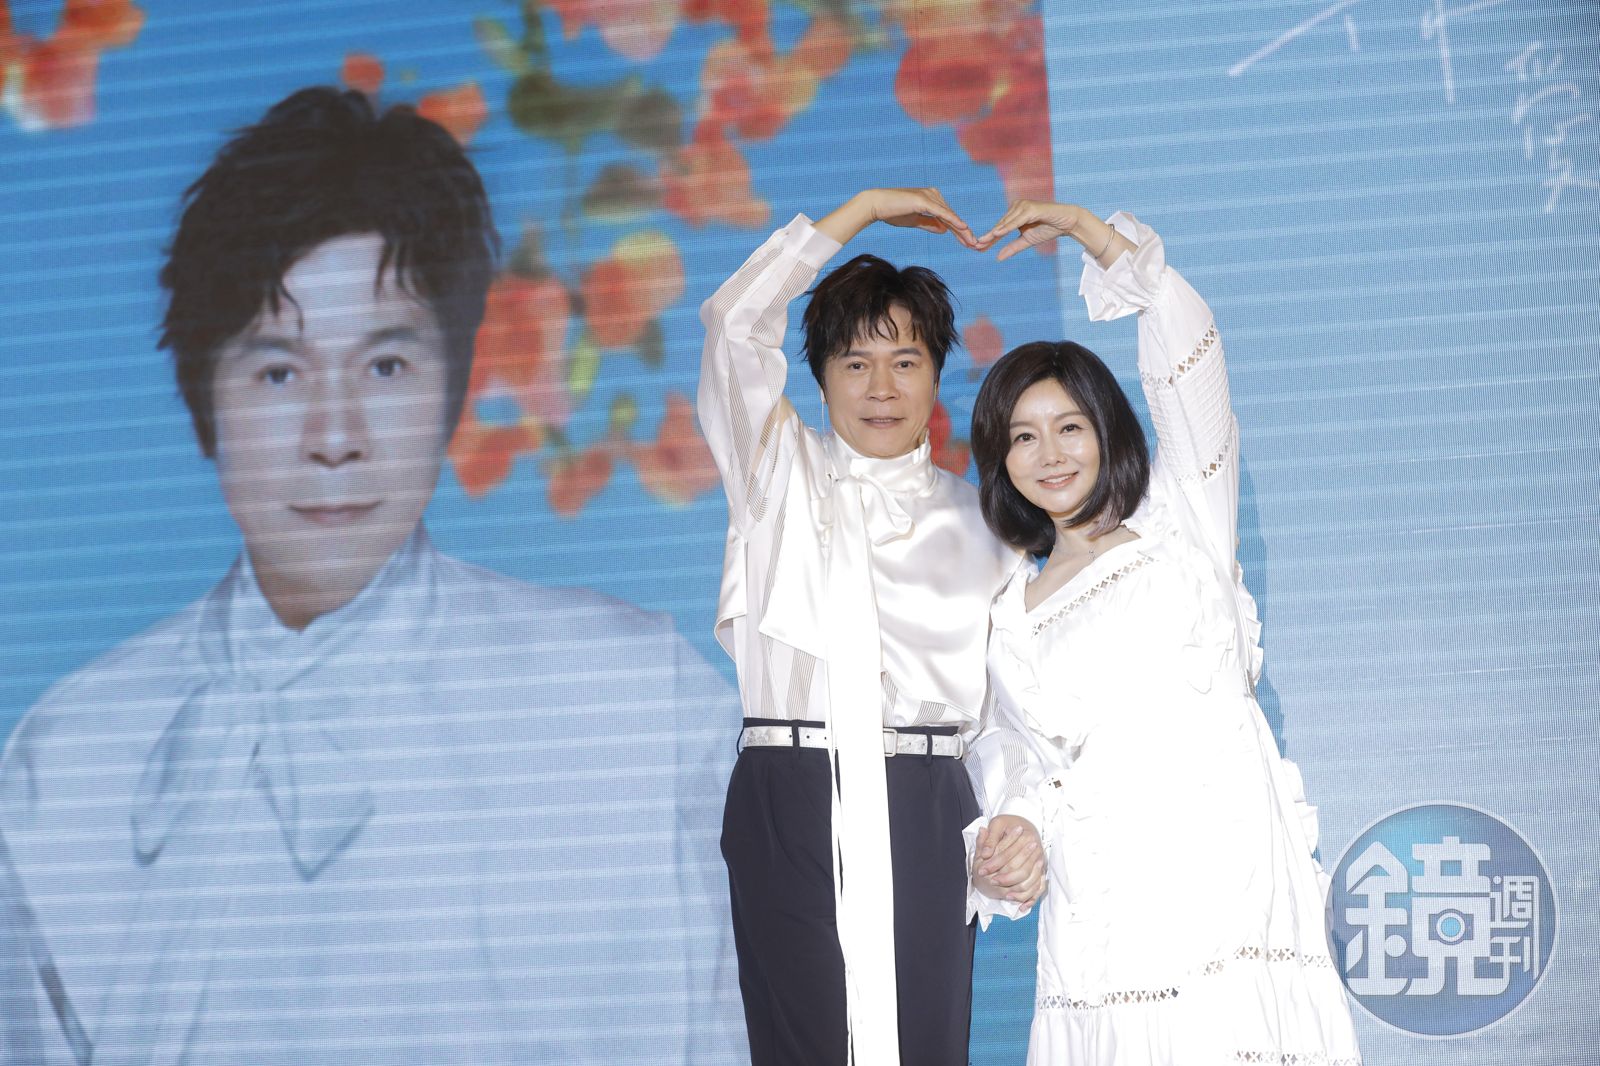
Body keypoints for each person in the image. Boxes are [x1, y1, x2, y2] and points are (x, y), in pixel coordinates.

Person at [0, 86, 745, 1065]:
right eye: (279, 372)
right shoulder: (68, 754)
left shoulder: (631, 694)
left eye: (385, 366)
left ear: (451, 385)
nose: (335, 436)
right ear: (204, 397)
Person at [966, 199, 1363, 1065]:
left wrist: (1095, 236)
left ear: (1106, 430)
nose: (1050, 454)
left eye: (1070, 427)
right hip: (1108, 922)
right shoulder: (1007, 614)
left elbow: (1192, 360)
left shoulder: (1184, 519)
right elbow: (1019, 761)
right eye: (1023, 438)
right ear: (1000, 461)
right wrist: (1012, 830)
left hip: (1228, 893)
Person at [698, 187, 1044, 1066]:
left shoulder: (990, 526)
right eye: (856, 363)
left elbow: (1011, 716)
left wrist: (1012, 818)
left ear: (936, 374)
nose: (881, 389)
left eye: (906, 361)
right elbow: (735, 324)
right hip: (793, 790)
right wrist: (864, 210)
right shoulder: (775, 473)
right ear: (820, 376)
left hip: (925, 804)